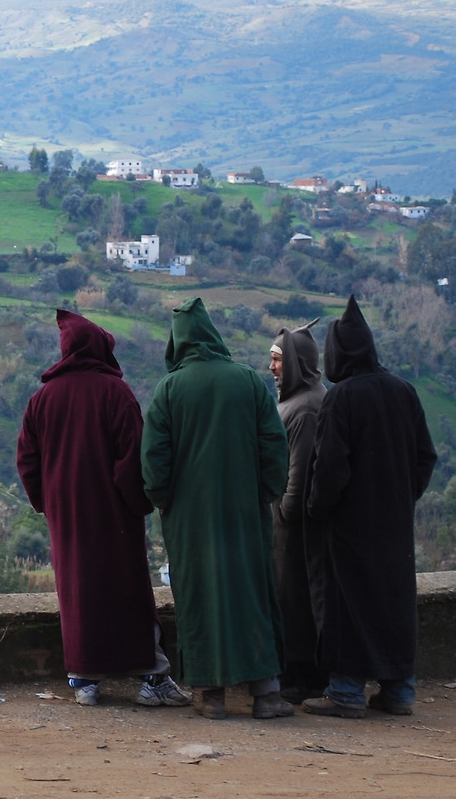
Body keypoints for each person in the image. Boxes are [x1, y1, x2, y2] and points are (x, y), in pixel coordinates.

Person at [16, 309, 191, 709]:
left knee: (79, 591)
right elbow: (133, 458)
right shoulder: (116, 393)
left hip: (67, 516)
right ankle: (152, 678)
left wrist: (48, 503)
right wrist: (138, 504)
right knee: (128, 590)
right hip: (114, 515)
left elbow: (27, 459)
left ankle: (86, 680)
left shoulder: (42, 399)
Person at [140, 297, 292, 720]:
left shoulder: (169, 390)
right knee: (252, 594)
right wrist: (263, 493)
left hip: (190, 520)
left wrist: (165, 502)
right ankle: (266, 693)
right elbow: (274, 448)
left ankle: (211, 696)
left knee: (199, 596)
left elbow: (154, 460)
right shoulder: (247, 381)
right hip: (245, 512)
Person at [302, 296, 437, 718]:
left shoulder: (341, 399)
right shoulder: (403, 391)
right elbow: (424, 457)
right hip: (394, 523)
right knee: (392, 602)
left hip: (349, 524)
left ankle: (345, 692)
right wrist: (400, 497)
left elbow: (330, 470)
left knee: (347, 603)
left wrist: (317, 510)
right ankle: (399, 692)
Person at [268, 320, 327, 704]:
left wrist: (285, 513)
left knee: (295, 601)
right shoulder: (298, 400)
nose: (272, 367)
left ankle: (300, 677)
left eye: (278, 360)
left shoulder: (304, 408)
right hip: (289, 525)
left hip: (294, 528)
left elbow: (299, 471)